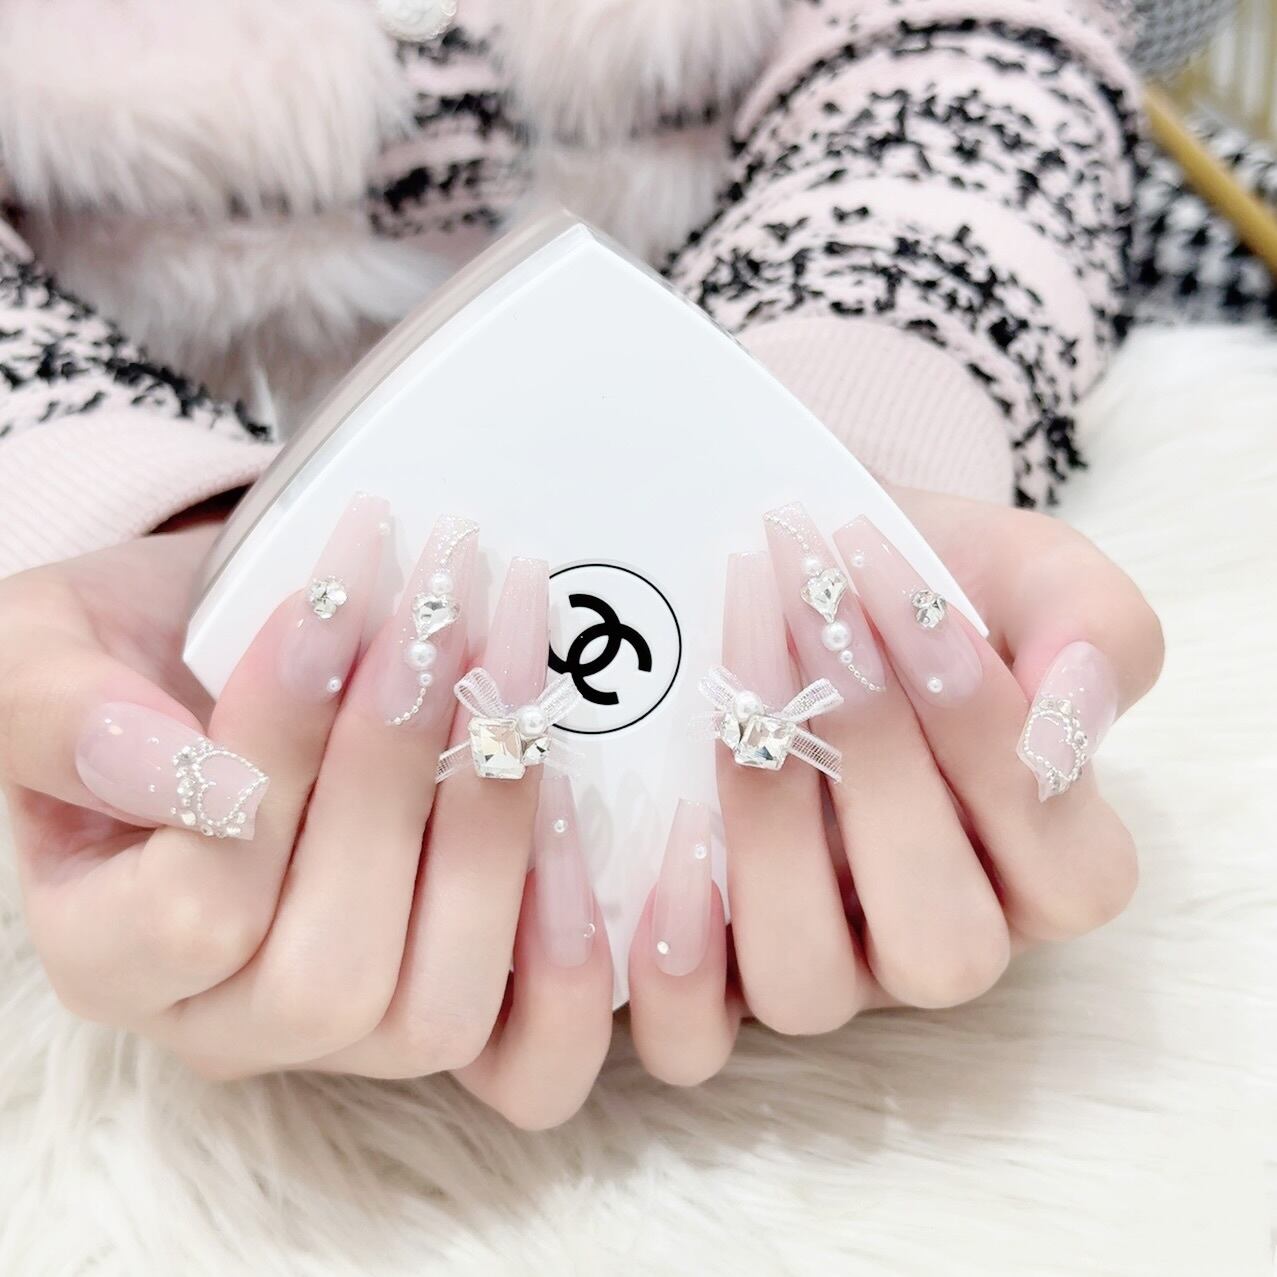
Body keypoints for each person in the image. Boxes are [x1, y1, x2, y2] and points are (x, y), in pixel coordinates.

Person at [1, 0, 1210, 1127]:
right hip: (165, 454)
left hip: (805, 324)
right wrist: (124, 514)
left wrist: (836, 465)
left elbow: (964, 43)